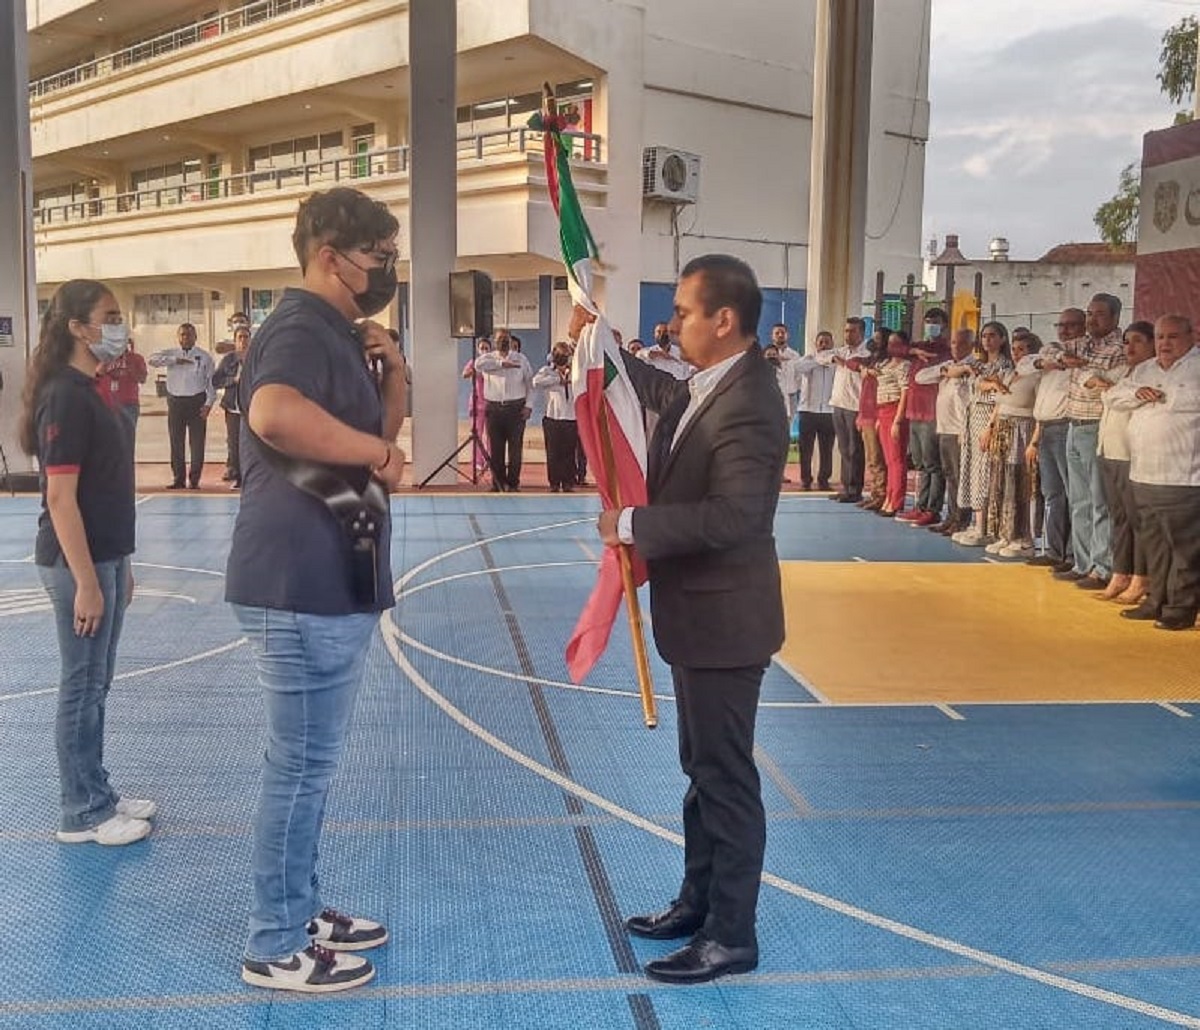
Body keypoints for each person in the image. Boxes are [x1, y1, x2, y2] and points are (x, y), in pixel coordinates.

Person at [225, 187, 408, 993]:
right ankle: (273, 941)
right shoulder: (298, 328)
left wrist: (393, 376)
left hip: (334, 575)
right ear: (330, 257)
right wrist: (370, 449)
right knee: (298, 768)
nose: (386, 270)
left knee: (311, 767)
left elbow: (382, 443)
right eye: (377, 257)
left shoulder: (338, 332)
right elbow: (272, 414)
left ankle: (299, 906)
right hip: (299, 582)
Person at [590, 254, 788, 984]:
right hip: (700, 620)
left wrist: (634, 524)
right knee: (701, 771)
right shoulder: (714, 383)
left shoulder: (752, 400)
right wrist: (601, 351)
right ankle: (698, 902)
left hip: (726, 622)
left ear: (723, 320)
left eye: (682, 310)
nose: (671, 323)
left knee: (725, 778)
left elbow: (737, 515)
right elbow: (662, 396)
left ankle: (731, 935)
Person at [19, 280, 154, 847]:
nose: (117, 326)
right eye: (108, 316)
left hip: (103, 557)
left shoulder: (95, 387)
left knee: (96, 683)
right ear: (76, 327)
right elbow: (60, 498)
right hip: (76, 564)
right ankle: (81, 812)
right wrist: (86, 584)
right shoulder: (66, 396)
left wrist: (118, 565)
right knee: (80, 685)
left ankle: (97, 788)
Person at [1110, 314, 1200, 631]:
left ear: (1191, 335)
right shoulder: (1145, 369)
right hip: (1143, 473)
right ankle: (1155, 601)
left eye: (1172, 337)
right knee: (1154, 545)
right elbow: (1112, 396)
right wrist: (1138, 393)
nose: (1164, 343)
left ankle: (1181, 608)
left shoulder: (1196, 368)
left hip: (1183, 477)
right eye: (1160, 337)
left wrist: (1164, 396)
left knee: (1184, 548)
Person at [1056, 293, 1126, 590]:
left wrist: (1082, 367)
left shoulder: (1119, 349)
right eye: (1089, 313)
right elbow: (1045, 355)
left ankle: (1102, 566)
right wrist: (1063, 359)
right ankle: (1082, 562)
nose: (1091, 319)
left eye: (1098, 314)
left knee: (1100, 501)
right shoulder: (1082, 344)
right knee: (1079, 500)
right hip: (1073, 423)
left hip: (1096, 425)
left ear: (1114, 319)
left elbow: (1105, 383)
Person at [1093, 321, 1154, 603]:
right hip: (1110, 451)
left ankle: (1142, 577)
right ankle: (1121, 572)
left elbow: (1119, 399)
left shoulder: (1152, 373)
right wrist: (1113, 391)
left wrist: (1114, 392)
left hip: (1132, 456)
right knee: (1119, 518)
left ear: (1153, 345)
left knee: (1137, 520)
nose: (1129, 347)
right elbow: (1108, 394)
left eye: (1138, 341)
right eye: (1127, 341)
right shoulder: (1124, 373)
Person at [1020, 308, 1082, 570]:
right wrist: (1047, 361)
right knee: (1052, 493)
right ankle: (1055, 550)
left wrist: (1063, 361)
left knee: (1073, 495)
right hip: (1045, 427)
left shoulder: (1081, 358)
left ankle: (1072, 554)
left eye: (1071, 325)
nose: (1064, 329)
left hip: (1066, 427)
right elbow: (1023, 365)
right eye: (1061, 325)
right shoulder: (1048, 357)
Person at [897, 308, 950, 526]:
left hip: (931, 413)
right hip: (914, 411)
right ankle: (920, 505)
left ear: (944, 325)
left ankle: (932, 508)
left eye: (935, 322)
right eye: (928, 321)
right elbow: (893, 348)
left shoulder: (944, 350)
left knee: (932, 463)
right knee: (919, 463)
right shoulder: (919, 348)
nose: (931, 325)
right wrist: (912, 352)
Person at [148, 323, 215, 489]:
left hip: (197, 401)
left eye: (190, 334)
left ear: (195, 337)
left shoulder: (204, 357)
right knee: (176, 442)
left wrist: (208, 404)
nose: (186, 338)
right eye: (183, 334)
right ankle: (178, 478)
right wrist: (174, 360)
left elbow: (211, 384)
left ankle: (194, 479)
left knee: (197, 443)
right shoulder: (171, 353)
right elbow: (151, 359)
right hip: (176, 402)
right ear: (178, 337)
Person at [475, 329, 534, 491]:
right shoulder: (487, 358)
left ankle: (513, 483)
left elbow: (530, 383)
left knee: (515, 450)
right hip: (493, 409)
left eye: (506, 338)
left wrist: (529, 405)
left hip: (516, 409)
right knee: (496, 449)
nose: (503, 342)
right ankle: (498, 483)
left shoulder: (521, 359)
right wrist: (501, 364)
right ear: (494, 341)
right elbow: (477, 365)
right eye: (500, 339)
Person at [825, 317, 871, 502]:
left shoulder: (867, 353)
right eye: (846, 331)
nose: (848, 335)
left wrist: (844, 362)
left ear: (861, 333)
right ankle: (846, 487)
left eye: (852, 331)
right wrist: (834, 358)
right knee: (844, 449)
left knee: (855, 449)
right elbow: (820, 355)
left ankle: (854, 489)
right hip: (838, 404)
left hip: (854, 406)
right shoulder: (841, 351)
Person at [532, 341, 579, 492]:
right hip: (553, 417)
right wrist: (557, 380)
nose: (564, 358)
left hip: (571, 417)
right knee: (553, 452)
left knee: (569, 452)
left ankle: (568, 482)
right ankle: (554, 482)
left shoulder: (575, 371)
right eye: (561, 355)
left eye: (567, 356)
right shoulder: (547, 371)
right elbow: (536, 382)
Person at [793, 330, 836, 490]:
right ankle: (806, 480)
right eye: (821, 342)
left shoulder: (836, 361)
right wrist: (820, 359)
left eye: (827, 342)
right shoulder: (808, 359)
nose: (824, 345)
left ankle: (824, 480)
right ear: (816, 344)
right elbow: (797, 368)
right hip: (807, 410)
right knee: (806, 449)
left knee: (827, 450)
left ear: (832, 344)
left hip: (829, 411)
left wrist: (829, 359)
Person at [212, 325, 251, 488]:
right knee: (234, 445)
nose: (243, 341)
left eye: (246, 337)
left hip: (251, 410)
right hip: (232, 408)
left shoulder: (257, 358)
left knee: (249, 446)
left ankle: (251, 478)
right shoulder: (228, 360)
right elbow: (216, 381)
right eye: (240, 337)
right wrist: (232, 381)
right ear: (235, 341)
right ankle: (238, 477)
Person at [96, 335, 148, 452]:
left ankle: (126, 468)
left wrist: (129, 368)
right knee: (106, 442)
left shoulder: (136, 358)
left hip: (129, 404)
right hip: (106, 405)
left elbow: (142, 379)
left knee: (128, 441)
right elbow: (94, 377)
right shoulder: (102, 359)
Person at [462, 337, 492, 475]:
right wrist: (475, 369)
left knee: (491, 435)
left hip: (490, 403)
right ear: (477, 350)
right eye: (482, 348)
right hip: (476, 402)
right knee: (476, 434)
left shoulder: (492, 363)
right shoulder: (474, 362)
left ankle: (490, 460)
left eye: (487, 348)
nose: (484, 351)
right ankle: (477, 461)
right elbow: (464, 374)